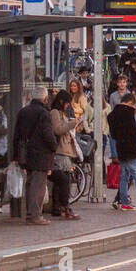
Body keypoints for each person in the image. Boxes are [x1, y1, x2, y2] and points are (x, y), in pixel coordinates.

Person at [12, 86, 58, 225]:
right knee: (38, 185)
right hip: (41, 154)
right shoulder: (44, 113)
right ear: (45, 98)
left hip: (26, 154)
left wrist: (16, 156)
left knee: (30, 183)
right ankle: (34, 215)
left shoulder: (23, 111)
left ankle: (30, 213)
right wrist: (54, 146)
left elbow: (17, 135)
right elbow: (47, 135)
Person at [48, 90, 82, 220]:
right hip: (60, 151)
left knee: (61, 181)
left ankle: (57, 207)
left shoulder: (61, 113)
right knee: (64, 180)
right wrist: (73, 123)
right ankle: (64, 206)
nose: (68, 106)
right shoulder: (55, 113)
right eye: (67, 103)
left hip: (64, 149)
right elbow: (58, 129)